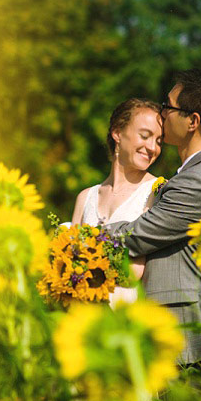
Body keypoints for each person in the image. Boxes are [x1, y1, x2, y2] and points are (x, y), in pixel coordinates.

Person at [106, 69, 201, 368]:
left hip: (193, 343)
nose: (162, 114)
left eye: (169, 106)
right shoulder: (197, 173)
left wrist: (78, 237)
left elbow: (138, 236)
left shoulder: (199, 181)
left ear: (192, 121)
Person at [71, 98, 163, 307]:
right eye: (145, 136)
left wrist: (81, 261)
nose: (152, 147)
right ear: (118, 133)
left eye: (159, 141)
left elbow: (133, 272)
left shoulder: (155, 191)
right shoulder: (85, 197)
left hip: (125, 319)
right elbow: (68, 264)